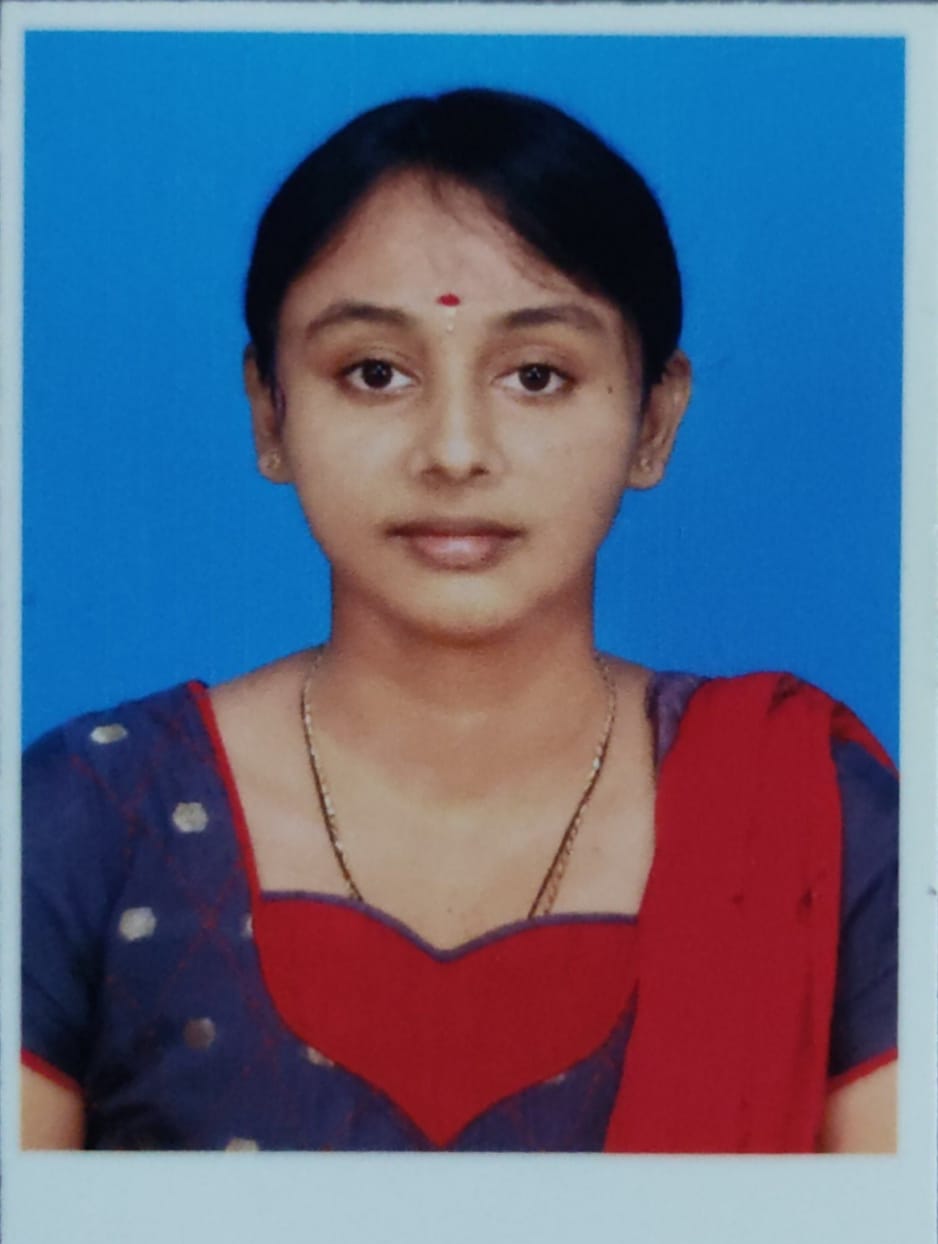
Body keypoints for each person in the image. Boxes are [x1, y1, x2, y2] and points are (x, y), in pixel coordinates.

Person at [20, 88, 898, 1153]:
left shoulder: (820, 827)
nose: (453, 450)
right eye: (374, 373)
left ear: (653, 422)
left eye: (536, 376)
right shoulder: (88, 819)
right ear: (268, 411)